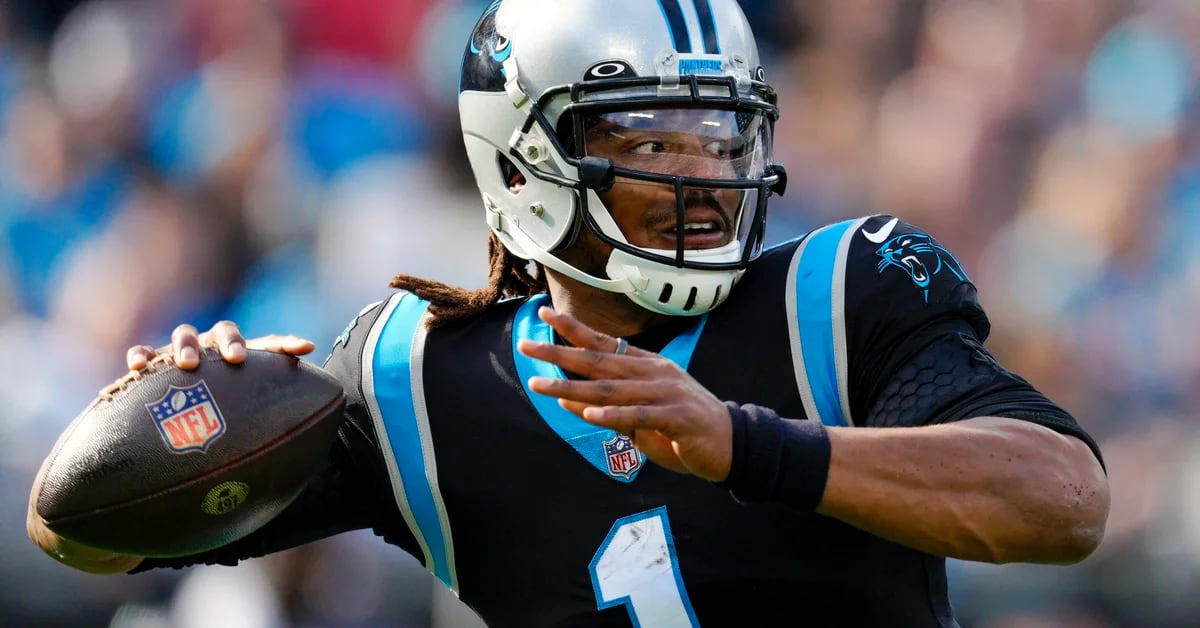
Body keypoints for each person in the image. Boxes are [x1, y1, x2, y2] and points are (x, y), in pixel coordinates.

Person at [28, 0, 1109, 625]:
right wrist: (183, 406)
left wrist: (749, 447)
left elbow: (1064, 500)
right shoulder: (415, 380)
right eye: (652, 143)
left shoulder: (841, 291)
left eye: (722, 138)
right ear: (525, 159)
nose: (705, 179)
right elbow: (84, 538)